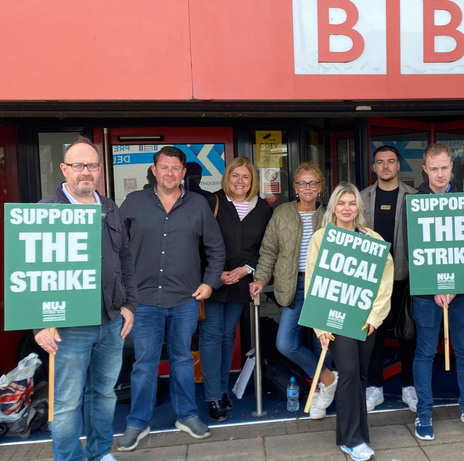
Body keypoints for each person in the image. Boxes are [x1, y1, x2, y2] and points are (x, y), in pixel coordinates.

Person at [35, 137, 138, 461]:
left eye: (92, 165)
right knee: (66, 403)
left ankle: (99, 453)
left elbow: (124, 260)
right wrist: (39, 323)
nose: (86, 172)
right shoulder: (46, 210)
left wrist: (129, 305)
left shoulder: (109, 208)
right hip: (68, 326)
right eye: (78, 165)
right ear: (64, 169)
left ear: (99, 170)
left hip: (109, 322)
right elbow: (29, 271)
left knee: (104, 395)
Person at [118, 146, 225, 451]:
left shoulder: (198, 206)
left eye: (175, 168)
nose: (169, 173)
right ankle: (137, 422)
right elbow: (116, 249)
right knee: (144, 364)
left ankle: (187, 416)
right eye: (163, 167)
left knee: (182, 360)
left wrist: (209, 283)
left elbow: (216, 248)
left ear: (183, 172)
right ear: (154, 170)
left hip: (185, 298)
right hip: (144, 299)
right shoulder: (134, 202)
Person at [311, 182, 394, 461]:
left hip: (364, 318)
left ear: (358, 206)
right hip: (335, 319)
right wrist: (321, 326)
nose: (346, 208)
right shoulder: (322, 238)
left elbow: (384, 280)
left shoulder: (372, 238)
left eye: (351, 202)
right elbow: (313, 281)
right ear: (334, 206)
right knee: (347, 373)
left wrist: (374, 318)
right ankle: (352, 439)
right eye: (341, 202)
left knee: (359, 375)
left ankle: (351, 435)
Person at [249, 162, 338, 419]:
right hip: (294, 286)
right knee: (286, 343)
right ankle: (328, 378)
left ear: (320, 187)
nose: (307, 188)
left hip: (324, 288)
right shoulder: (282, 213)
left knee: (325, 345)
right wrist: (260, 278)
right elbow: (268, 251)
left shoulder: (330, 215)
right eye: (302, 183)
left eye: (313, 183)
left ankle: (322, 393)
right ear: (295, 187)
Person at [411, 143, 464, 441]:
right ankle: (424, 410)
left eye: (445, 167)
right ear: (425, 169)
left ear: (452, 167)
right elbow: (414, 249)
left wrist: (453, 286)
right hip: (426, 293)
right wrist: (435, 287)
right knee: (426, 351)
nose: (440, 174)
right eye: (434, 168)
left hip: (462, 292)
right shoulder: (415, 201)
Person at [200, 157, 272, 422]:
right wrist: (213, 274)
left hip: (242, 281)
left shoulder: (263, 208)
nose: (240, 181)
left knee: (228, 336)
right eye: (235, 176)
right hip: (213, 281)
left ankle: (220, 389)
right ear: (226, 178)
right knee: (211, 337)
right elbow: (197, 242)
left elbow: (266, 247)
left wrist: (247, 269)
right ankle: (212, 396)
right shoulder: (212, 202)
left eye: (246, 177)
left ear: (253, 181)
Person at [361, 145, 418, 412]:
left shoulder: (415, 197)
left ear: (398, 166)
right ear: (374, 167)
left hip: (404, 278)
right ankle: (375, 388)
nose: (385, 166)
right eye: (380, 162)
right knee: (373, 334)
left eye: (391, 161)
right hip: (372, 279)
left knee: (408, 334)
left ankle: (409, 386)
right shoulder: (361, 199)